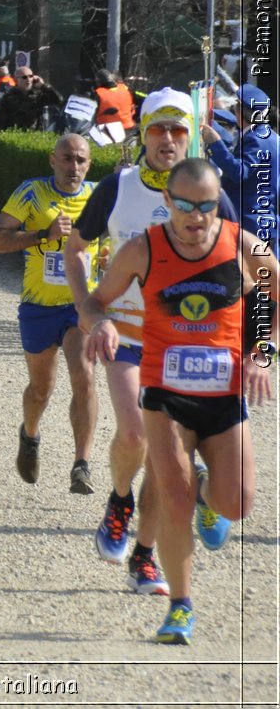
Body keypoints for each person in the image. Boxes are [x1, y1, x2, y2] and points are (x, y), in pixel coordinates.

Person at [79, 157, 275, 644]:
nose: (194, 216)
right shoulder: (141, 250)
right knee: (173, 497)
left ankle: (212, 497)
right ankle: (180, 608)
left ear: (218, 203)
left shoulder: (243, 245)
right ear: (167, 202)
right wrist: (98, 321)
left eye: (204, 206)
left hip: (225, 393)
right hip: (165, 394)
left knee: (240, 501)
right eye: (183, 205)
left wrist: (262, 354)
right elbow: (95, 300)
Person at [64, 88, 238, 592]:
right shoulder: (116, 188)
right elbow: (76, 249)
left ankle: (145, 555)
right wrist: (89, 311)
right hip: (127, 337)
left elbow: (247, 273)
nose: (168, 139)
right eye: (158, 129)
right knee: (137, 435)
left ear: (192, 136)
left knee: (168, 460)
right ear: (142, 133)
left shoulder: (213, 195)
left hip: (185, 348)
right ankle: (120, 502)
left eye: (179, 130)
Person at [0, 133, 99, 494]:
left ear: (89, 164)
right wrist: (41, 234)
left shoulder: (99, 197)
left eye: (81, 160)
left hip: (80, 306)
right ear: (53, 161)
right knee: (41, 390)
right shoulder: (32, 192)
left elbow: (116, 242)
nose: (74, 166)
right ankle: (30, 434)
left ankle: (82, 464)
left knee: (84, 376)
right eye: (67, 158)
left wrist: (111, 256)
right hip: (38, 306)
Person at [202, 84, 275, 252]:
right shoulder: (269, 137)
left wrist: (215, 144)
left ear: (240, 112)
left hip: (251, 223)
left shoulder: (256, 139)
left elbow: (239, 172)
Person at [0, 65, 63, 131]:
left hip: (35, 136)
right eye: (24, 77)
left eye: (31, 76)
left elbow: (58, 99)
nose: (28, 79)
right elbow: (1, 121)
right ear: (16, 79)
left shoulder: (39, 95)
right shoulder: (9, 97)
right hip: (15, 135)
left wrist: (43, 85)